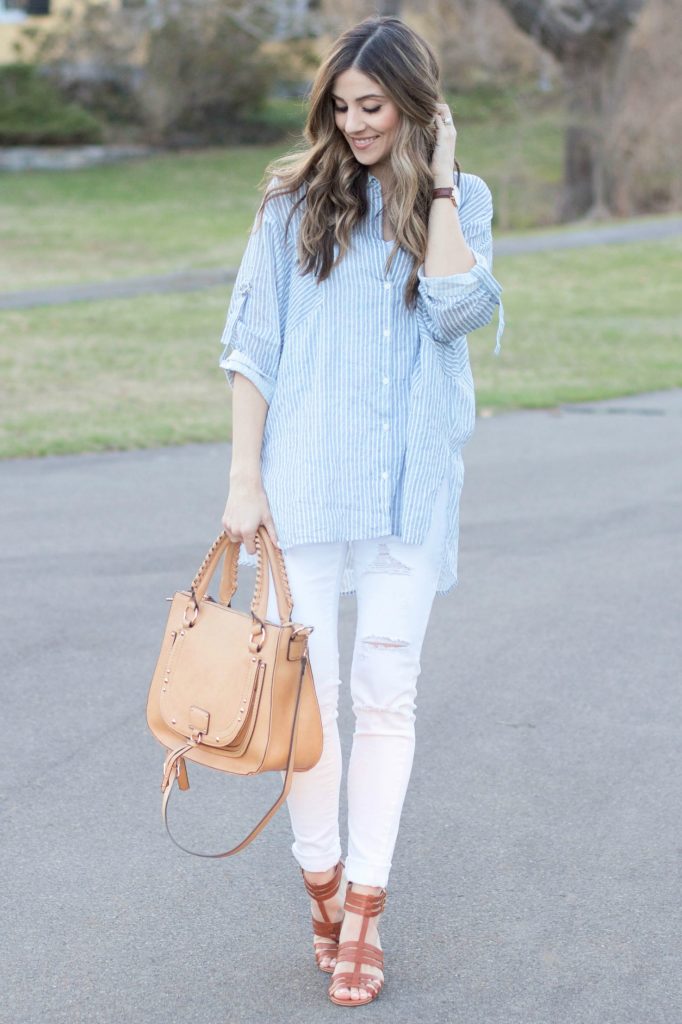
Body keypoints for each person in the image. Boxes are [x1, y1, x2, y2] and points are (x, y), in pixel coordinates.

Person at [218, 15, 505, 1008]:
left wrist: (438, 181)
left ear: (415, 106)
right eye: (340, 106)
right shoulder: (291, 202)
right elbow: (253, 341)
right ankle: (321, 885)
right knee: (310, 705)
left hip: (409, 494)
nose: (353, 123)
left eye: (372, 106)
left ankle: (367, 911)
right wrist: (242, 479)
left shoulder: (458, 200)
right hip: (301, 490)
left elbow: (459, 308)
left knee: (386, 694)